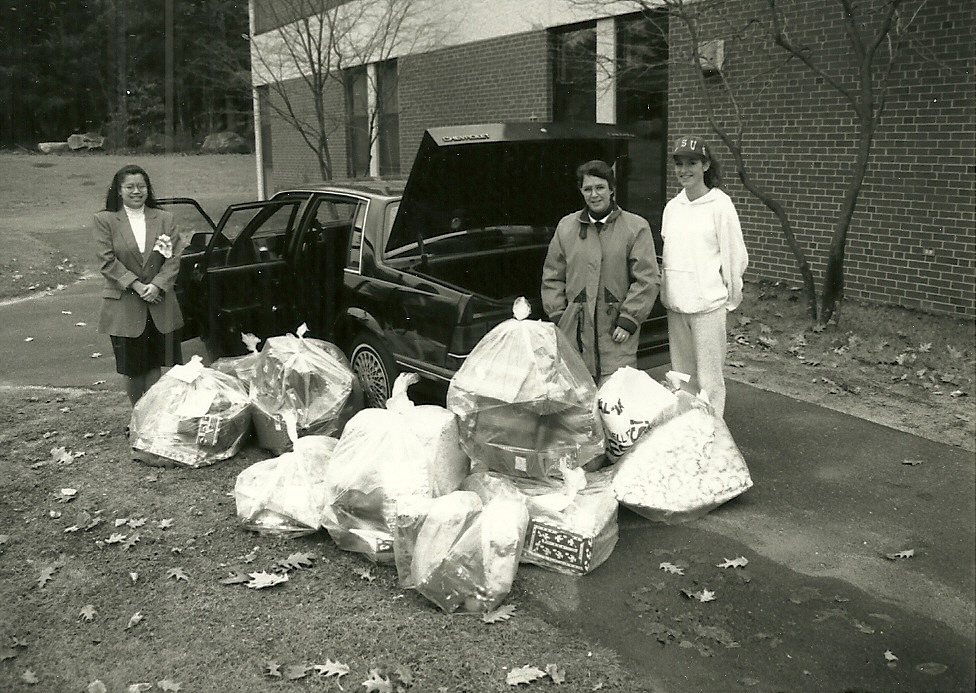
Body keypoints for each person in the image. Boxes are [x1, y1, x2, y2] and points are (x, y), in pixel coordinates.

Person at [542, 159, 660, 382]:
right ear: (581, 192)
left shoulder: (635, 227)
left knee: (614, 403)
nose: (594, 195)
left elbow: (647, 278)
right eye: (587, 189)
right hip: (574, 333)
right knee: (579, 405)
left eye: (600, 187)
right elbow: (552, 275)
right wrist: (558, 315)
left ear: (612, 189)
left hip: (616, 334)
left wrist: (629, 319)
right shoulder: (566, 227)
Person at [661, 136, 748, 418]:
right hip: (677, 306)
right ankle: (688, 437)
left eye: (692, 163)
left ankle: (713, 438)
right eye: (679, 164)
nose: (684, 170)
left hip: (707, 308)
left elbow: (734, 256)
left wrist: (728, 297)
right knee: (683, 380)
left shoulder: (720, 205)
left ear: (706, 165)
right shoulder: (672, 207)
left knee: (709, 381)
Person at [93, 164, 184, 408]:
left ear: (148, 189)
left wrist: (157, 286)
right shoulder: (105, 220)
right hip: (124, 304)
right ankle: (138, 414)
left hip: (158, 301)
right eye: (130, 187)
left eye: (141, 186)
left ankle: (151, 415)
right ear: (119, 190)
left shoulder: (165, 219)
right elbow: (106, 260)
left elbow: (174, 258)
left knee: (154, 363)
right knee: (133, 368)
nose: (136, 191)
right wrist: (136, 285)